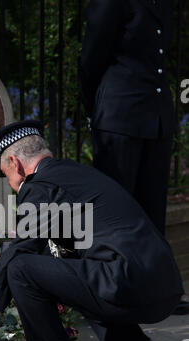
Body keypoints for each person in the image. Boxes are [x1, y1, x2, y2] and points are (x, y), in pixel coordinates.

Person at [0, 120, 183, 341]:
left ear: (16, 163)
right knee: (64, 260)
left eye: (6, 174)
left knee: (21, 267)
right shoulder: (74, 173)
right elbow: (62, 255)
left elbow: (20, 252)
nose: (11, 186)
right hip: (164, 287)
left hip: (128, 284)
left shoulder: (40, 185)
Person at [79, 0, 188, 314]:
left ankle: (158, 293)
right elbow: (91, 57)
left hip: (155, 120)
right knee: (115, 212)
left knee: (153, 212)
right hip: (119, 117)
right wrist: (96, 108)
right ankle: (109, 294)